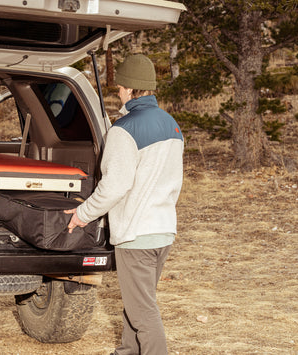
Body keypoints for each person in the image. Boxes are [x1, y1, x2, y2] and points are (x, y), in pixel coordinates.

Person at [65, 54, 184, 355]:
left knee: (143, 311)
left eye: (120, 87)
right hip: (163, 230)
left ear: (131, 90)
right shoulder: (172, 125)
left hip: (136, 235)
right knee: (138, 302)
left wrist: (82, 214)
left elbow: (114, 186)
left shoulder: (124, 129)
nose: (118, 92)